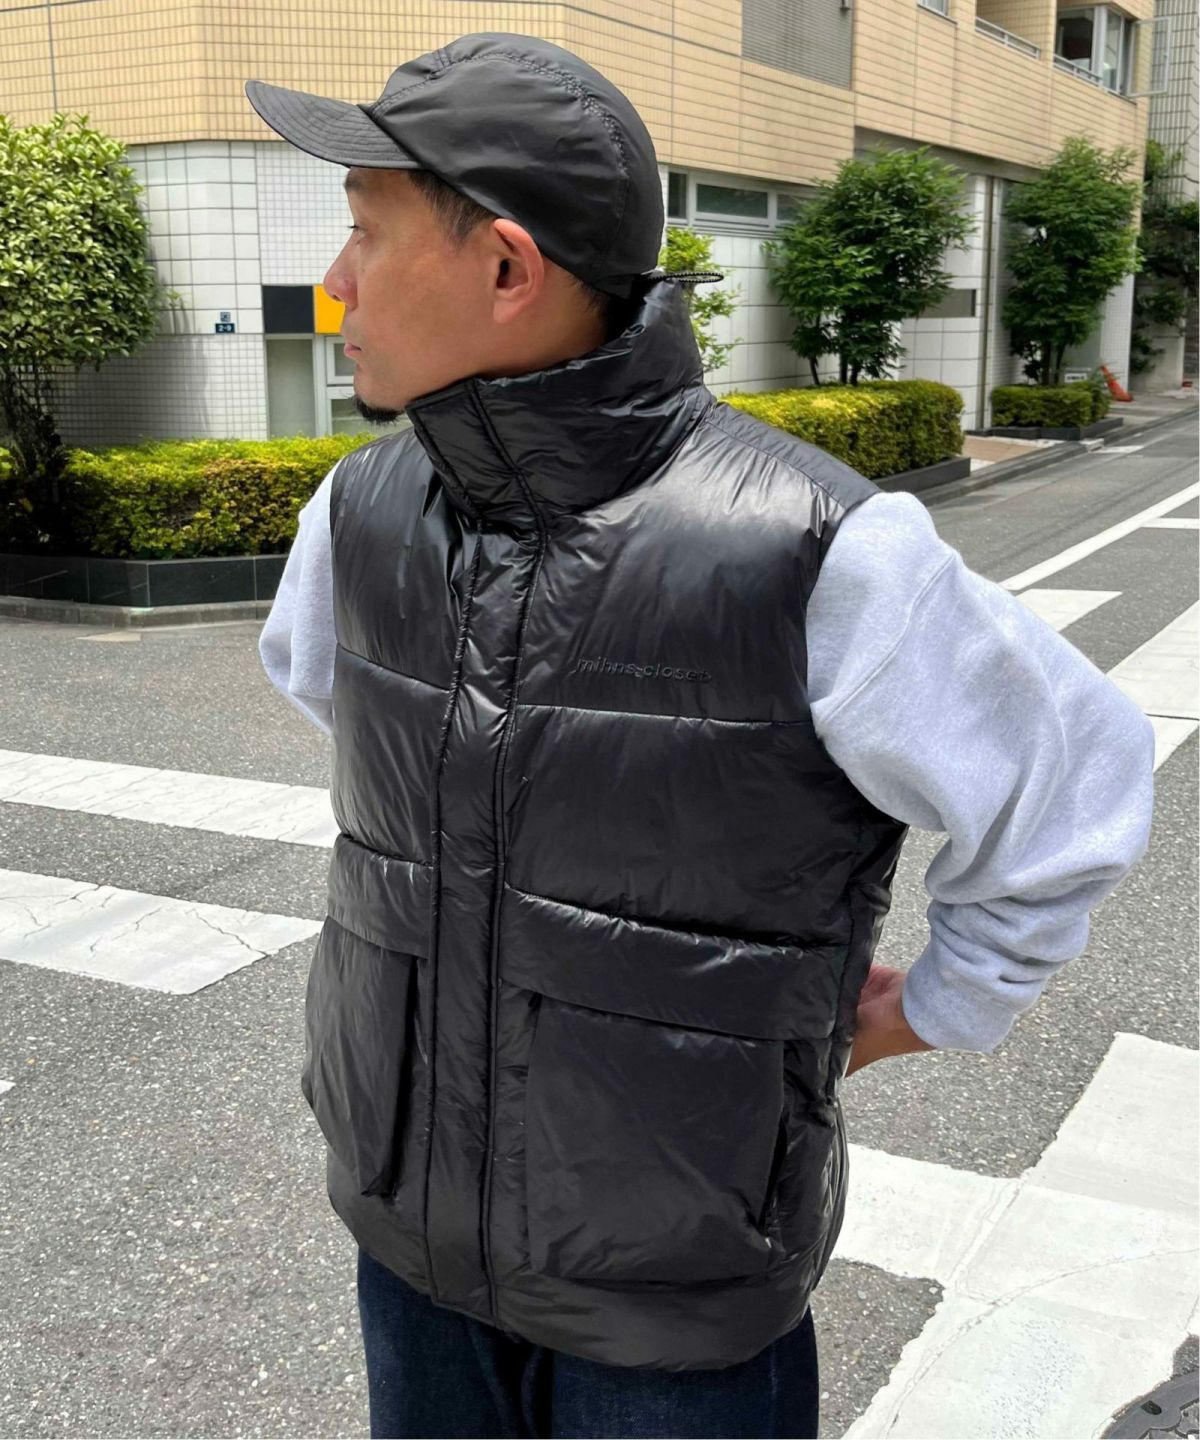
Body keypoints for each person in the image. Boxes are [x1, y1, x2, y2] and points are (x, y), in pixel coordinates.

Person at [248, 32, 1155, 1440]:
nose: (337, 281)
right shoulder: (356, 514)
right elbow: (347, 712)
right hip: (408, 1236)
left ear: (506, 268)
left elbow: (1074, 777)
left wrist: (943, 1004)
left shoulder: (813, 547)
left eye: (366, 231)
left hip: (675, 1295)